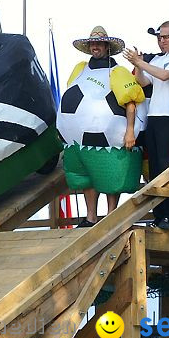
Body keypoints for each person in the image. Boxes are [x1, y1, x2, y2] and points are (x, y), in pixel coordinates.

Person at [58, 27, 145, 227]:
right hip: (79, 141)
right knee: (86, 177)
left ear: (107, 46)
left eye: (98, 43)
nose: (95, 47)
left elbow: (130, 102)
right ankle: (90, 217)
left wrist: (130, 130)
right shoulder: (80, 69)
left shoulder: (117, 71)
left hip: (111, 139)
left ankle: (111, 216)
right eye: (92, 44)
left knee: (110, 175)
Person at [124, 21, 169, 230]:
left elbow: (164, 75)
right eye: (159, 37)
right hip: (154, 115)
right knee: (154, 168)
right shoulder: (158, 59)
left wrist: (141, 62)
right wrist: (138, 65)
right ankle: (160, 215)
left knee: (165, 166)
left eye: (165, 37)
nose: (161, 41)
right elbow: (144, 83)